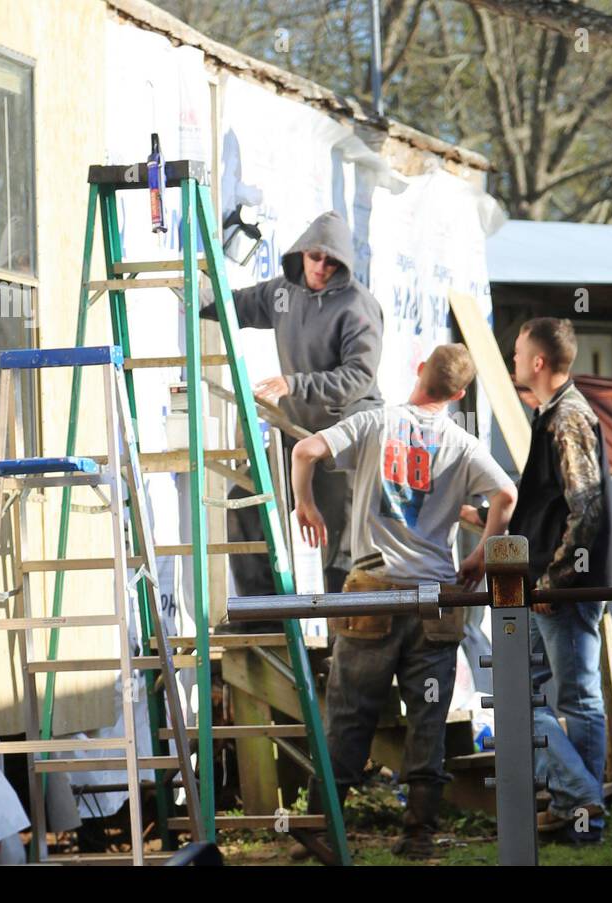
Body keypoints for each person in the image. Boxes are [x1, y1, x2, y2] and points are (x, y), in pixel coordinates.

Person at [291, 344, 517, 858]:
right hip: (434, 601)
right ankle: (418, 835)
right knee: (428, 718)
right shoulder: (462, 443)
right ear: (459, 394)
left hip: (371, 592)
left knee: (349, 715)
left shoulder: (374, 422)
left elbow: (304, 451)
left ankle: (318, 828)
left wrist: (305, 503)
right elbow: (506, 495)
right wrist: (482, 554)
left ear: (419, 372)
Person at [200, 210, 384, 595]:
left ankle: (345, 643)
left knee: (340, 548)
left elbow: (358, 378)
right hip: (295, 435)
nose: (321, 266)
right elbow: (233, 305)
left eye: (332, 261)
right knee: (245, 504)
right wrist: (190, 289)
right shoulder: (282, 291)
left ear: (343, 264)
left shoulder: (357, 306)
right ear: (301, 253)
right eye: (315, 256)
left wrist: (293, 384)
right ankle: (262, 622)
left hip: (344, 438)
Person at [509, 317, 612, 845]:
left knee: (577, 699)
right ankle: (578, 800)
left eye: (516, 353)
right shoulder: (551, 414)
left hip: (562, 588)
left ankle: (584, 812)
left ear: (538, 362)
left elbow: (587, 506)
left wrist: (556, 579)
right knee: (516, 693)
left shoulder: (568, 417)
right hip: (539, 584)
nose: (511, 362)